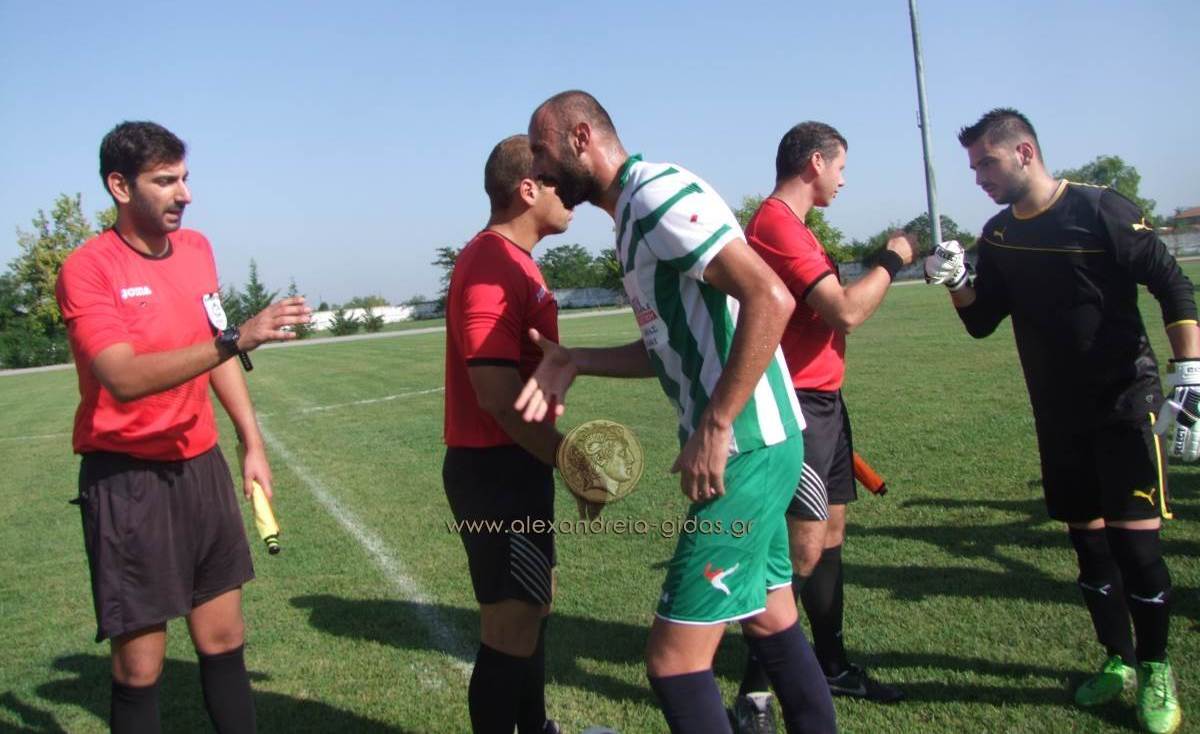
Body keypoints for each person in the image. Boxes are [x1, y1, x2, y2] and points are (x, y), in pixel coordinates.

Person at [520, 90, 837, 734]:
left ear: (581, 138)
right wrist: (578, 359)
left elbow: (770, 298)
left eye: (543, 150)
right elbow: (670, 345)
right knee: (771, 618)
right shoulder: (629, 219)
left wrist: (716, 425)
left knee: (674, 661)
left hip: (745, 447)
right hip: (756, 445)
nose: (538, 168)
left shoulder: (655, 195)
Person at [925, 108, 1191, 734]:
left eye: (987, 163)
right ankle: (1117, 660)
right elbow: (982, 321)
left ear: (1024, 153)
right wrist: (959, 281)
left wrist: (1192, 374)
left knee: (1136, 549)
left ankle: (1157, 669)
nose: (979, 177)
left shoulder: (1101, 209)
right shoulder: (997, 235)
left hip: (1125, 403)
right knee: (1089, 549)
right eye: (973, 167)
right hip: (1058, 415)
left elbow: (1172, 284)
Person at [55, 121, 311, 733]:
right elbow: (122, 377)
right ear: (120, 186)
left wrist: (251, 443)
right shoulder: (88, 269)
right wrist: (234, 339)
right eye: (165, 181)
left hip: (201, 467)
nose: (185, 194)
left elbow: (216, 352)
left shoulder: (196, 250)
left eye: (185, 178)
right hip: (128, 481)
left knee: (224, 639)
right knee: (140, 668)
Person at [730, 121, 915, 730]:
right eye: (840, 167)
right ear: (815, 162)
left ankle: (831, 664)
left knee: (830, 535)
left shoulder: (797, 226)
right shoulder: (777, 225)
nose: (842, 179)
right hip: (797, 406)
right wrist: (893, 258)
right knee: (801, 548)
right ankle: (755, 694)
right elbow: (846, 311)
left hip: (826, 402)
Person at [442, 134, 575, 734]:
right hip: (495, 469)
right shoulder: (492, 262)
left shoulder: (517, 259)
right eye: (558, 182)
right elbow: (495, 395)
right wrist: (570, 460)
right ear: (527, 189)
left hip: (516, 465)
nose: (571, 194)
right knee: (509, 627)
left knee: (532, 609)